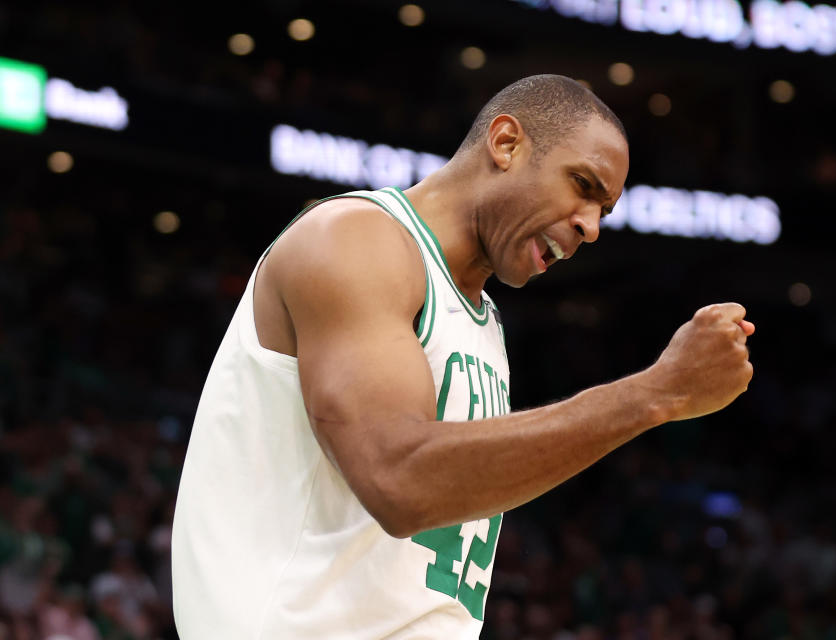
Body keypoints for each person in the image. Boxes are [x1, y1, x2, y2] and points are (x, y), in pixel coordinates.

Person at [170, 74, 754, 639]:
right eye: (582, 185)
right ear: (506, 143)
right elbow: (398, 480)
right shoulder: (356, 239)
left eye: (604, 211)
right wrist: (656, 394)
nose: (592, 226)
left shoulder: (482, 322)